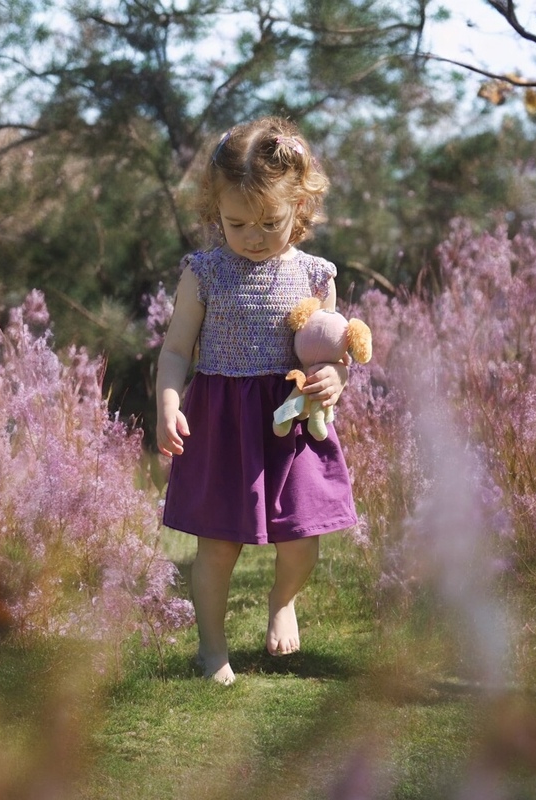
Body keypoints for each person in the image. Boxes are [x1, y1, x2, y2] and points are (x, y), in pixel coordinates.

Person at [156, 116, 357, 685]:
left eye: (271, 223)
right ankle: (212, 647)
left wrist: (336, 377)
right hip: (221, 423)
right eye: (237, 223)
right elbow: (175, 350)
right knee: (218, 548)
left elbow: (330, 349)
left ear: (300, 207)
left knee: (302, 543)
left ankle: (282, 599)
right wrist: (168, 403)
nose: (253, 236)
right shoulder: (204, 274)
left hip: (292, 425)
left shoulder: (315, 275)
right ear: (214, 211)